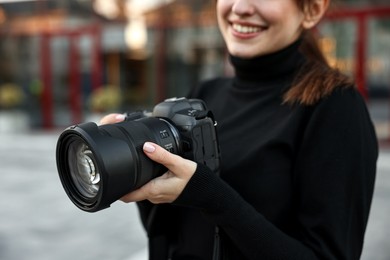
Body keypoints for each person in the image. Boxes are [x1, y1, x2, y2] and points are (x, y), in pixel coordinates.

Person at [100, 0, 378, 259]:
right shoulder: (204, 95)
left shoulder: (334, 107)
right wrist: (140, 170)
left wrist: (211, 195)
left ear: (312, 10)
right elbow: (175, 236)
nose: (241, 7)